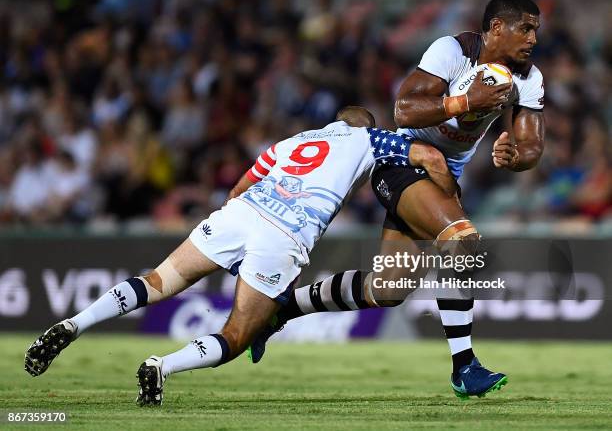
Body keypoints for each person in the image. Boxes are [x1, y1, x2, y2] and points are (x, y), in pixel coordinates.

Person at [24, 106, 456, 406]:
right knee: (237, 336)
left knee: (156, 282)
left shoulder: (293, 141)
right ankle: (163, 366)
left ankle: (75, 323)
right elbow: (430, 155)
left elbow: (240, 187)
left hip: (239, 213)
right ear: (364, 124)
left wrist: (236, 232)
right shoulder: (369, 138)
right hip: (283, 235)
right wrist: (446, 205)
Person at [247, 0, 545, 400]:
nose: (532, 38)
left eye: (536, 30)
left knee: (389, 289)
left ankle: (283, 308)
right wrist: (466, 101)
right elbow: (404, 109)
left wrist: (515, 157)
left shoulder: (528, 76)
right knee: (463, 243)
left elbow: (531, 146)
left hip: (442, 179)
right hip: (401, 161)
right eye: (525, 28)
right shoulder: (453, 51)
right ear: (497, 27)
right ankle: (464, 367)